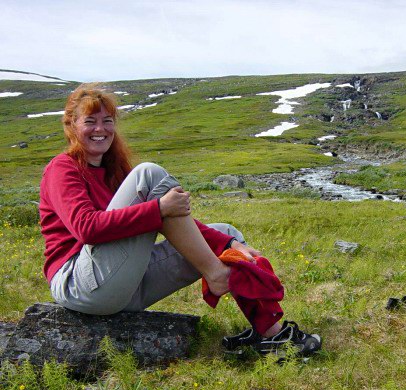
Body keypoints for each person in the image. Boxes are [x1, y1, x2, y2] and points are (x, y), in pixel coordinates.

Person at [39, 84, 321, 356]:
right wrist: (159, 209)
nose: (100, 129)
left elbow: (175, 221)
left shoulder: (115, 173)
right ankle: (217, 274)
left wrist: (229, 242)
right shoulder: (62, 168)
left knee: (225, 234)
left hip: (126, 287)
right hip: (81, 286)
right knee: (148, 173)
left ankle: (270, 334)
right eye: (90, 121)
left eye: (107, 121)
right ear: (71, 125)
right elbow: (87, 228)